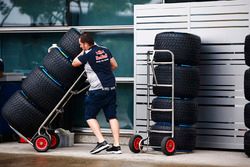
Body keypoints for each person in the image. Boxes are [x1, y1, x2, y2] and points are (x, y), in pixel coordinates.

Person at [72, 32, 121, 154]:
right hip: (111, 87)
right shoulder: (105, 50)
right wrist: (103, 70)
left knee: (89, 116)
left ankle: (101, 142)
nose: (79, 46)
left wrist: (83, 52)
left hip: (97, 90)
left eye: (80, 44)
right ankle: (116, 146)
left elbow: (74, 63)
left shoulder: (87, 54)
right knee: (112, 116)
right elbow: (115, 65)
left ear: (86, 44)